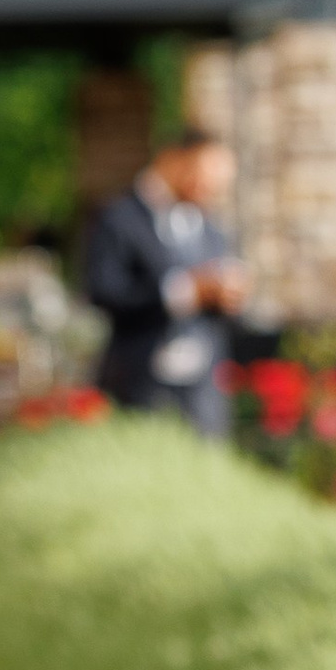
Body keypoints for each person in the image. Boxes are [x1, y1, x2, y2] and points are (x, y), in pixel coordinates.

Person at [86, 128, 247, 438]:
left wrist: (228, 295)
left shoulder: (211, 226)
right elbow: (103, 292)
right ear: (173, 161)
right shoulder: (117, 217)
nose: (210, 190)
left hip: (202, 394)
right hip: (139, 383)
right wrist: (183, 292)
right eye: (203, 176)